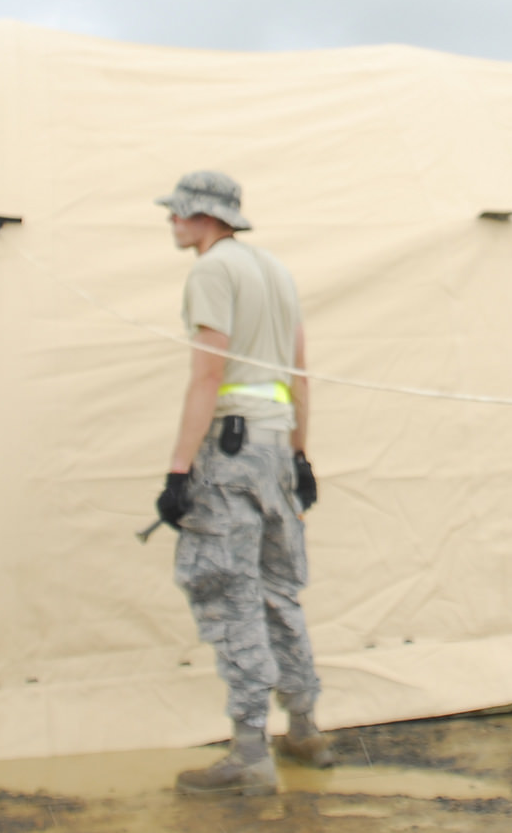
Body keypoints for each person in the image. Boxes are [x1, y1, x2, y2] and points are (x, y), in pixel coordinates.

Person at [153, 170, 336, 797]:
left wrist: (178, 472)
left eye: (177, 212)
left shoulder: (211, 272)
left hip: (228, 459)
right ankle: (305, 728)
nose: (171, 221)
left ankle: (249, 753)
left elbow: (208, 376)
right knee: (279, 591)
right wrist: (300, 456)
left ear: (202, 216)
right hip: (276, 454)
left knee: (231, 594)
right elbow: (299, 373)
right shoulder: (275, 271)